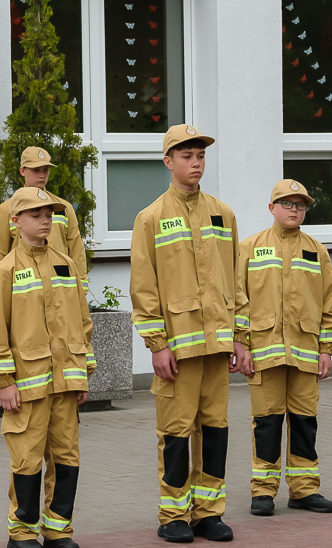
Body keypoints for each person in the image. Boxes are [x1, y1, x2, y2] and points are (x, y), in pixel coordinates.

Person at [129, 124, 248, 543]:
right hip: (177, 351)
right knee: (176, 434)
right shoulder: (151, 218)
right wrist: (157, 346)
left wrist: (240, 337)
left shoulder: (223, 213)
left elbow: (236, 280)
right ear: (168, 161)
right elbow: (144, 289)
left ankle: (209, 513)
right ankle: (174, 516)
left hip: (217, 347)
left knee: (215, 430)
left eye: (200, 156)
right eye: (186, 156)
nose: (195, 163)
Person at [0, 187, 96, 548]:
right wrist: (4, 382)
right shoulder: (3, 271)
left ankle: (58, 531)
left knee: (66, 459)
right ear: (15, 221)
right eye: (36, 214)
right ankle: (22, 534)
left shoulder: (65, 263)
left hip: (65, 383)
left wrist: (83, 374)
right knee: (27, 462)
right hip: (27, 386)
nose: (45, 220)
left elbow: (82, 322)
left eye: (49, 213)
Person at [235, 179, 332, 517]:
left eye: (300, 205)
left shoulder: (316, 251)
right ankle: (263, 492)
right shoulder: (248, 248)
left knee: (305, 423)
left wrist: (327, 348)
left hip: (306, 353)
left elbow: (328, 304)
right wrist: (241, 345)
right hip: (264, 353)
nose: (294, 210)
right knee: (267, 423)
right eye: (287, 203)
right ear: (272, 208)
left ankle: (305, 490)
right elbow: (238, 301)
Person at [0, 146, 89, 294]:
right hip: (25, 289)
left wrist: (81, 288)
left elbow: (76, 248)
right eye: (36, 170)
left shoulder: (63, 207)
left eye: (45, 170)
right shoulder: (7, 210)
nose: (42, 175)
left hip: (60, 286)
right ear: (22, 171)